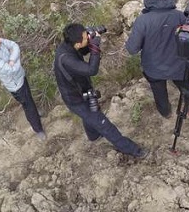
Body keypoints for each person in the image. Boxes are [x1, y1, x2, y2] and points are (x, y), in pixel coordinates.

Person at [54, 23, 149, 159]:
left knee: (89, 117)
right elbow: (91, 70)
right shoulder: (66, 59)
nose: (88, 36)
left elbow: (82, 51)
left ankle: (93, 137)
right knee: (104, 124)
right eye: (86, 37)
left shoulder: (69, 46)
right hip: (76, 99)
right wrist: (95, 46)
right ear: (77, 43)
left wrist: (91, 42)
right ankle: (134, 151)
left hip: (82, 89)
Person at [125, 0, 188, 118]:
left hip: (153, 68)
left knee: (159, 92)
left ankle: (166, 113)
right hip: (178, 64)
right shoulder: (181, 16)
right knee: (184, 85)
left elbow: (132, 49)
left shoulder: (143, 21)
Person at [0, 30, 46, 139]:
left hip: (20, 76)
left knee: (29, 100)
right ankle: (38, 129)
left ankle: (36, 114)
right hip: (16, 86)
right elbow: (12, 70)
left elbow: (14, 45)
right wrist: (15, 61)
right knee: (28, 106)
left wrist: (12, 59)